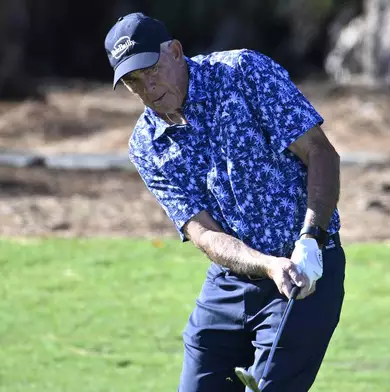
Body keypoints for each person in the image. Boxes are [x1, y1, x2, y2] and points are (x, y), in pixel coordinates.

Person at [104, 12, 345, 392]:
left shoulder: (243, 73)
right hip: (231, 281)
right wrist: (266, 265)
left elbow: (319, 152)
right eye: (133, 81)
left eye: (150, 69)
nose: (148, 87)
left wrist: (311, 237)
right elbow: (201, 230)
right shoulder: (146, 144)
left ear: (176, 52)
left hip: (306, 268)